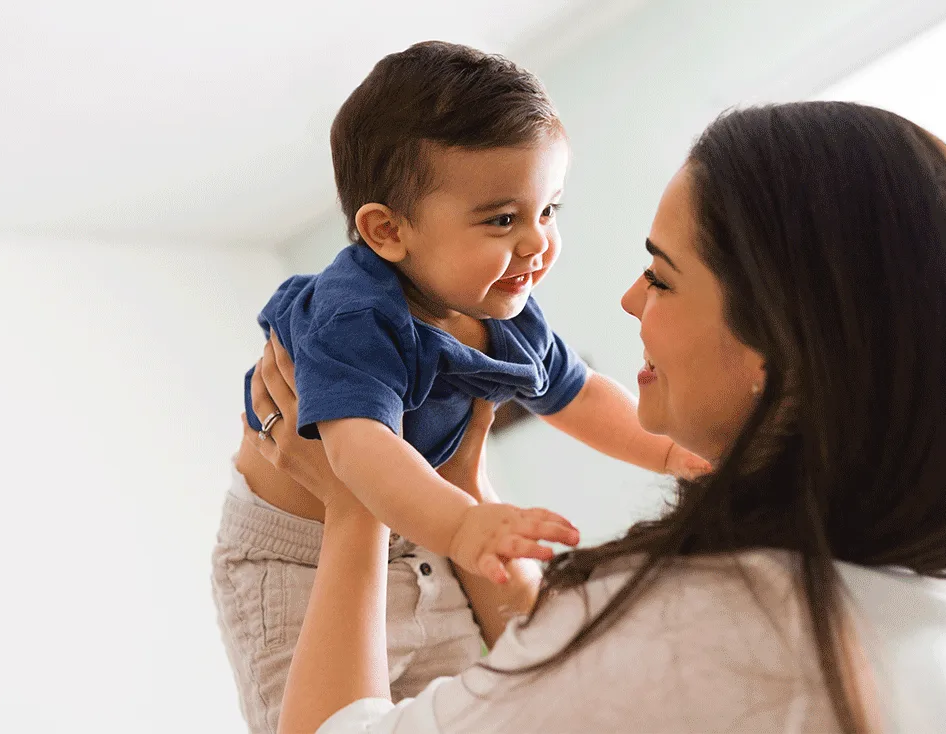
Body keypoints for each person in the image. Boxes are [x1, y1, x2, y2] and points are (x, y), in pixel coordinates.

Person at [243, 101, 946, 733]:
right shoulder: (931, 599)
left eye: (663, 277)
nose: (630, 298)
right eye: (504, 217)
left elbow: (595, 665)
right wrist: (463, 487)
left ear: (772, 348)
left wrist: (354, 513)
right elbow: (556, 686)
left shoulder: (709, 623)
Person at [214, 41, 704, 733]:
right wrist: (463, 522)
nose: (537, 244)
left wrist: (664, 450)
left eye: (549, 210)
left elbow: (577, 393)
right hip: (299, 551)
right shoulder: (355, 315)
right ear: (388, 231)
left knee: (464, 703)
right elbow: (356, 454)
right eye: (504, 220)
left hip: (422, 530)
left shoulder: (501, 303)